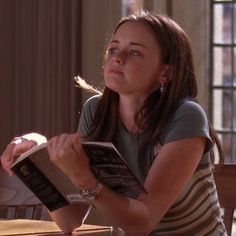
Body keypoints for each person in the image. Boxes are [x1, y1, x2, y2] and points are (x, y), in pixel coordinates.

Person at [0, 9, 226, 236]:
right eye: (114, 49)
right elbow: (70, 220)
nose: (118, 57)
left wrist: (83, 177)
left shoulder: (186, 116)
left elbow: (142, 223)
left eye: (135, 52)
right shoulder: (96, 111)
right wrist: (37, 158)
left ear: (165, 73)